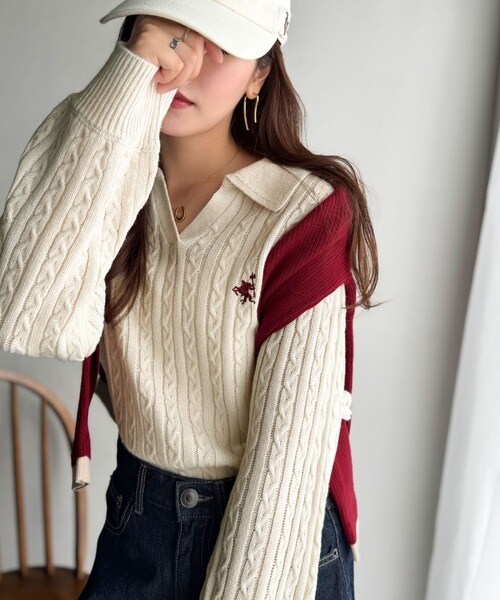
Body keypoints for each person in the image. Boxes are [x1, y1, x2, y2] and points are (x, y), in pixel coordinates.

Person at [0, 1, 379, 598]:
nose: (186, 62)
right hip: (136, 520)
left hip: (273, 530)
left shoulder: (303, 213)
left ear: (259, 74)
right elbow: (28, 315)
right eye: (172, 33)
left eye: (219, 44)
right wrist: (128, 76)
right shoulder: (106, 174)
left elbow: (287, 461)